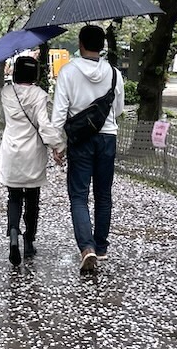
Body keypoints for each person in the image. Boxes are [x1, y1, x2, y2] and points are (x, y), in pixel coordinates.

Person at [50, 25, 124, 273]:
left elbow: (59, 113)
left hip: (80, 140)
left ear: (81, 43)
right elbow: (119, 109)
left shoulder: (68, 72)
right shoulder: (114, 73)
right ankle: (101, 247)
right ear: (102, 45)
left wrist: (58, 144)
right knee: (104, 195)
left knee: (79, 196)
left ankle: (87, 249)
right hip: (107, 138)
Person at [0, 56, 63, 265]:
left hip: (11, 151)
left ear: (15, 72)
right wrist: (58, 146)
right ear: (34, 73)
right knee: (33, 198)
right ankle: (29, 240)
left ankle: (14, 233)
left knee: (14, 196)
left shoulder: (6, 93)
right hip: (32, 153)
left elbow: (2, 120)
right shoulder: (39, 95)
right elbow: (44, 125)